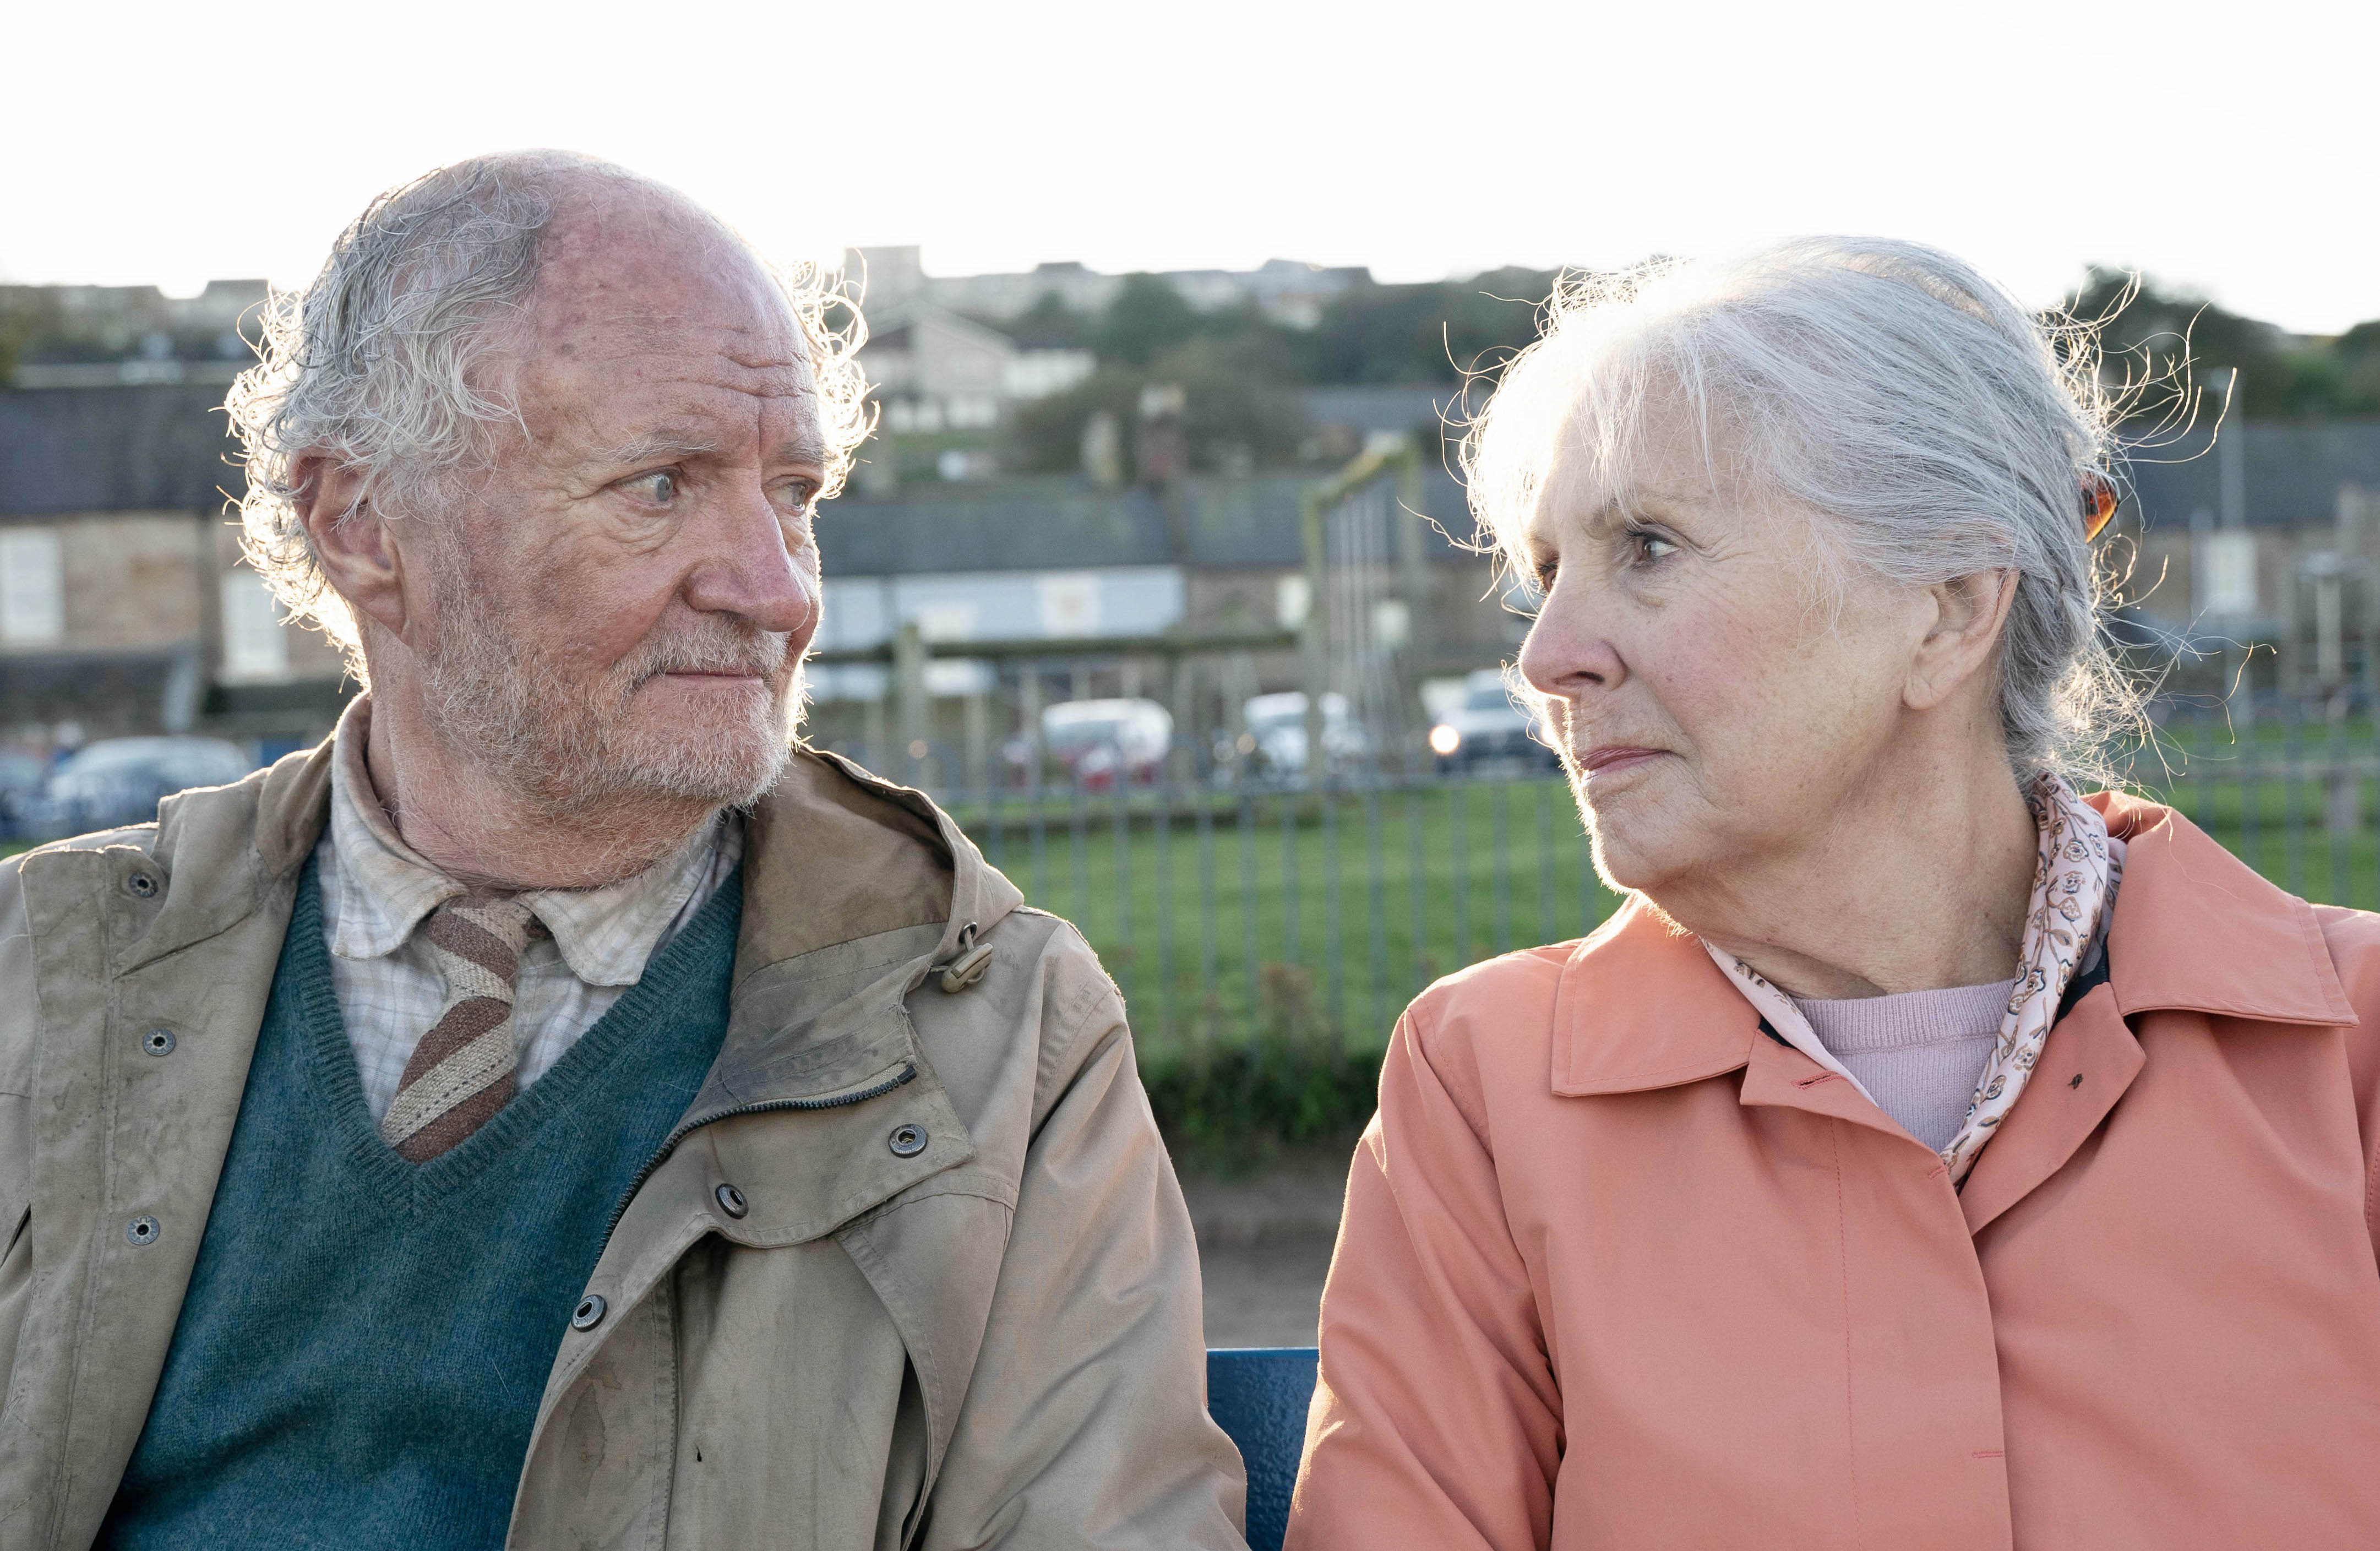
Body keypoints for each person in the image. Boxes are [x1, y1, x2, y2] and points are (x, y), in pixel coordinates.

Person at [0, 153, 1245, 1550]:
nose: (776, 590)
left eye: (791, 493)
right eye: (660, 487)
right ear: (360, 525)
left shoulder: (998, 1032)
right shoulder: (42, 977)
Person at [1286, 238, 2380, 1547]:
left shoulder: (2348, 1045)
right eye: (1544, 572)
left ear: (1946, 609)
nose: (1546, 655)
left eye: (1646, 545)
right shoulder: (1485, 1084)